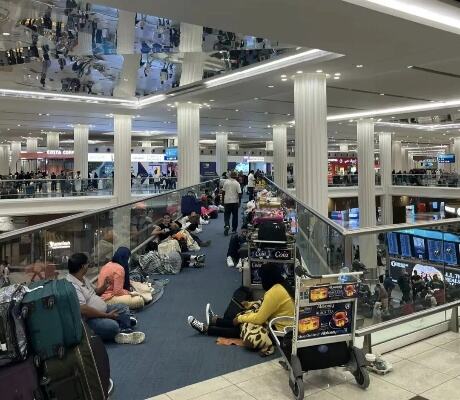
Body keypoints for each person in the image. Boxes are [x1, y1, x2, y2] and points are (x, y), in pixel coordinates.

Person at [187, 263, 294, 339]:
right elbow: (270, 305)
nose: (262, 282)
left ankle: (206, 329)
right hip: (285, 326)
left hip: (279, 332)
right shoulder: (282, 286)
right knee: (244, 320)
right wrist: (250, 304)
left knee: (241, 327)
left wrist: (240, 318)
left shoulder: (275, 292)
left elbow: (259, 319)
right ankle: (215, 321)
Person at [66, 253, 145, 344]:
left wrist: (104, 286)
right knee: (112, 327)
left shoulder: (82, 277)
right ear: (83, 266)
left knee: (123, 307)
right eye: (88, 264)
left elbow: (95, 292)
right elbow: (83, 309)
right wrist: (106, 316)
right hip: (90, 319)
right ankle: (120, 327)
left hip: (104, 309)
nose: (89, 266)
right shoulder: (72, 285)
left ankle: (123, 329)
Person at [222, 171, 242, 236]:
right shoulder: (237, 183)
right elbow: (239, 193)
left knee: (227, 215)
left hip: (227, 202)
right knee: (235, 216)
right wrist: (239, 202)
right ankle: (234, 230)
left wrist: (222, 201)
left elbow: (223, 192)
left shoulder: (226, 182)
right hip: (235, 202)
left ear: (230, 176)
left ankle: (227, 225)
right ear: (236, 176)